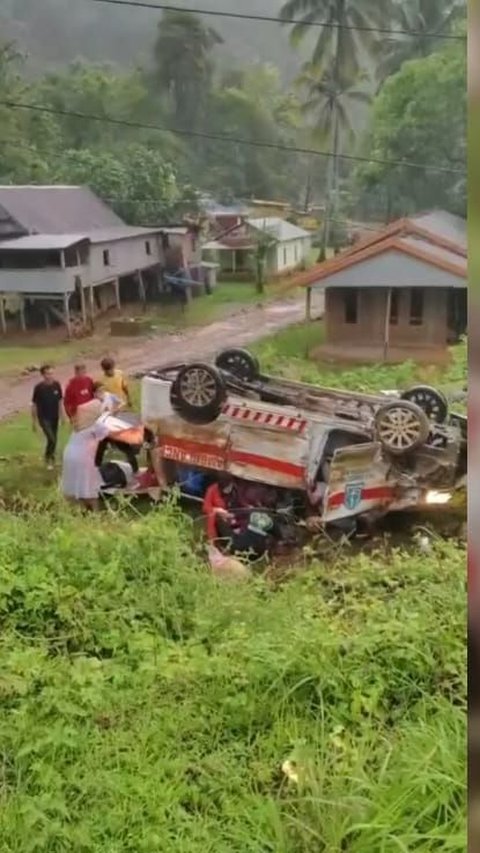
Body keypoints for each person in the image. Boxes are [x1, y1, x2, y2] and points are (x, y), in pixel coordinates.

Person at [61, 399, 110, 510]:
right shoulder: (96, 425)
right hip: (83, 456)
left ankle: (78, 513)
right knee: (89, 486)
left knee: (74, 484)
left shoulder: (78, 424)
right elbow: (107, 434)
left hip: (69, 454)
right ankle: (95, 514)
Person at [31, 365, 64, 470]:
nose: (50, 376)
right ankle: (47, 457)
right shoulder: (39, 388)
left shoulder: (56, 385)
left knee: (54, 438)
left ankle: (52, 458)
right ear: (43, 375)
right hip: (43, 417)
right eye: (47, 374)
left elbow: (60, 401)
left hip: (54, 416)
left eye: (51, 373)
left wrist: (62, 416)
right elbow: (34, 404)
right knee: (51, 439)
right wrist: (34, 422)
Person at [202, 474, 239, 541]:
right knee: (211, 515)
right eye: (227, 488)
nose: (228, 489)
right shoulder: (212, 490)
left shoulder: (235, 491)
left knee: (236, 526)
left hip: (229, 517)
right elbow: (205, 507)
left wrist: (231, 516)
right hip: (215, 516)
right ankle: (212, 539)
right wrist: (217, 510)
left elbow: (237, 506)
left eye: (230, 487)